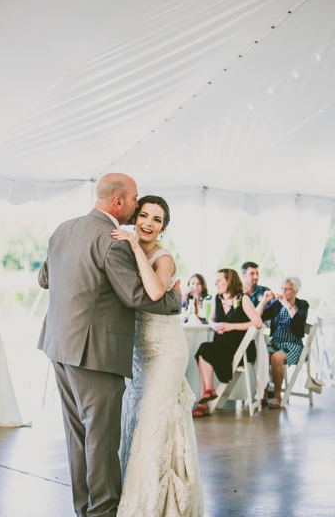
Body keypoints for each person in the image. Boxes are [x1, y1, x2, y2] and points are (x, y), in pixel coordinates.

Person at [37, 174, 183, 517]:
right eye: (134, 201)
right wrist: (176, 300)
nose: (136, 207)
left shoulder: (63, 229)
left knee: (78, 438)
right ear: (118, 202)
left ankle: (83, 509)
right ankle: (102, 512)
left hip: (59, 346)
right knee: (101, 442)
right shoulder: (113, 240)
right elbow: (135, 296)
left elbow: (44, 278)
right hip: (95, 353)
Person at [111, 196, 204, 516]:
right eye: (144, 216)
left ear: (164, 227)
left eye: (157, 220)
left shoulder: (164, 259)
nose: (148, 224)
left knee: (153, 421)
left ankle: (147, 506)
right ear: (135, 216)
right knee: (138, 422)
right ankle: (149, 495)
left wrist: (137, 248)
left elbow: (153, 293)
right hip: (138, 350)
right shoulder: (119, 247)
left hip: (166, 350)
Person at [192, 269, 263, 417]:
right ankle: (208, 392)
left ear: (229, 281)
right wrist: (214, 326)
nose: (215, 283)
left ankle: (204, 402)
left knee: (204, 350)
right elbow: (211, 319)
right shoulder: (216, 298)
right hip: (222, 345)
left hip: (238, 348)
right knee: (203, 351)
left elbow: (258, 323)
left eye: (219, 280)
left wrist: (231, 326)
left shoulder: (243, 299)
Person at [257, 277, 309, 409]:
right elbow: (258, 317)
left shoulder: (302, 304)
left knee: (276, 358)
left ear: (295, 291)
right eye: (282, 288)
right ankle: (262, 392)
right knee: (263, 355)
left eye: (287, 289)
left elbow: (299, 322)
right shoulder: (276, 304)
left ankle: (277, 395)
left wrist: (287, 304)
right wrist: (264, 302)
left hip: (293, 344)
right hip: (276, 342)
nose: (283, 291)